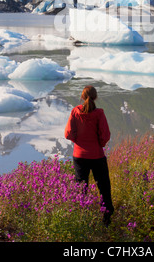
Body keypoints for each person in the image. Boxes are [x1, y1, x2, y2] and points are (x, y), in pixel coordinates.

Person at [64, 85, 114, 226]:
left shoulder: (75, 111)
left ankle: (80, 217)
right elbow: (105, 135)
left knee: (81, 186)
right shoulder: (99, 113)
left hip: (79, 156)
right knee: (104, 186)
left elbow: (68, 133)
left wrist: (79, 142)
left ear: (82, 96)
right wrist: (100, 144)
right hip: (97, 155)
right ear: (95, 97)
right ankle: (106, 218)